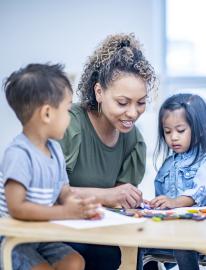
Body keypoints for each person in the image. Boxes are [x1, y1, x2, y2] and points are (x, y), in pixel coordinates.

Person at [58, 33, 157, 270]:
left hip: (95, 236)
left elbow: (118, 201)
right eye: (123, 103)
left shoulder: (132, 139)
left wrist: (131, 201)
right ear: (99, 92)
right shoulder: (69, 125)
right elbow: (45, 192)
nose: (133, 113)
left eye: (141, 102)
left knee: (108, 254)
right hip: (54, 234)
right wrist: (107, 195)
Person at [1, 63, 102, 270]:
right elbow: (17, 208)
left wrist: (76, 204)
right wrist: (66, 212)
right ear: (47, 114)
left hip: (41, 235)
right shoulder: (19, 154)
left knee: (75, 262)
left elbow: (62, 189)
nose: (70, 117)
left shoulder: (55, 150)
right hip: (12, 239)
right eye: (67, 109)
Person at [139, 93, 206, 270]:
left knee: (182, 242)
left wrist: (175, 202)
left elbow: (199, 193)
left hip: (199, 227)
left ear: (199, 129)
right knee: (139, 238)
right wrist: (154, 204)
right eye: (167, 131)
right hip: (171, 225)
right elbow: (161, 195)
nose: (173, 137)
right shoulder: (168, 163)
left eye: (180, 130)